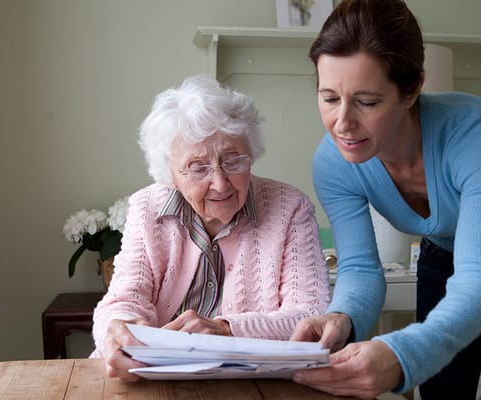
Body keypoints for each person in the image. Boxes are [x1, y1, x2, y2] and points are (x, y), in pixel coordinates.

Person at [289, 0, 481, 399]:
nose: (343, 124)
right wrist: (343, 316)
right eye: (330, 98)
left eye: (367, 102)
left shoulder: (480, 135)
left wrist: (400, 355)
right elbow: (359, 268)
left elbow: (480, 281)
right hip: (444, 255)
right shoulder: (333, 162)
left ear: (412, 89)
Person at [90, 75, 331, 381]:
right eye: (198, 167)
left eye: (233, 161)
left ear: (251, 153)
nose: (220, 183)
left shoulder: (290, 208)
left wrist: (224, 329)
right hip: (153, 379)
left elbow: (310, 314)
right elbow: (123, 299)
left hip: (250, 384)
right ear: (171, 174)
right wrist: (120, 329)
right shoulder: (146, 208)